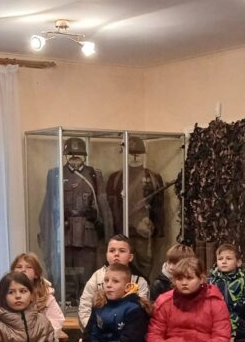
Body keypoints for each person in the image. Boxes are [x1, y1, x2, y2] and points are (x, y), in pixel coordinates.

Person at [38, 137, 108, 305]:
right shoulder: (55, 174)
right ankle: (67, 304)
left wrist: (107, 232)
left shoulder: (94, 174)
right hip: (65, 234)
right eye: (71, 154)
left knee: (87, 276)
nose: (75, 157)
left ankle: (86, 306)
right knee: (65, 276)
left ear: (84, 155)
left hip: (87, 234)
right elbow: (48, 206)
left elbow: (104, 206)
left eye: (78, 154)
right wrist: (47, 235)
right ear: (66, 155)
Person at [105, 136, 166, 276]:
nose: (135, 156)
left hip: (144, 233)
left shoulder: (153, 177)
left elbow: (158, 207)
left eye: (138, 153)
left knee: (144, 266)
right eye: (131, 153)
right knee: (120, 268)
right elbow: (111, 210)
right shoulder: (115, 178)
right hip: (121, 232)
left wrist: (157, 230)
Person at [78, 234, 149, 329]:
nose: (116, 254)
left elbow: (141, 313)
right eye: (112, 251)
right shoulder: (97, 277)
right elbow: (85, 307)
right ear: (106, 255)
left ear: (130, 257)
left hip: (127, 332)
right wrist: (94, 330)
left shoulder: (139, 281)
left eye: (122, 251)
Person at [10, 252, 65, 335]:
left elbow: (57, 322)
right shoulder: (4, 293)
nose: (23, 270)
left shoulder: (46, 297)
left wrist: (37, 336)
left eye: (28, 267)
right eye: (19, 267)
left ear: (36, 274)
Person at [208, 243, 245, 342]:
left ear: (238, 262)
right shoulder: (211, 281)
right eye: (220, 259)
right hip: (216, 321)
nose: (224, 261)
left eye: (228, 258)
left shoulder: (243, 280)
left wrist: (235, 307)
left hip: (237, 320)